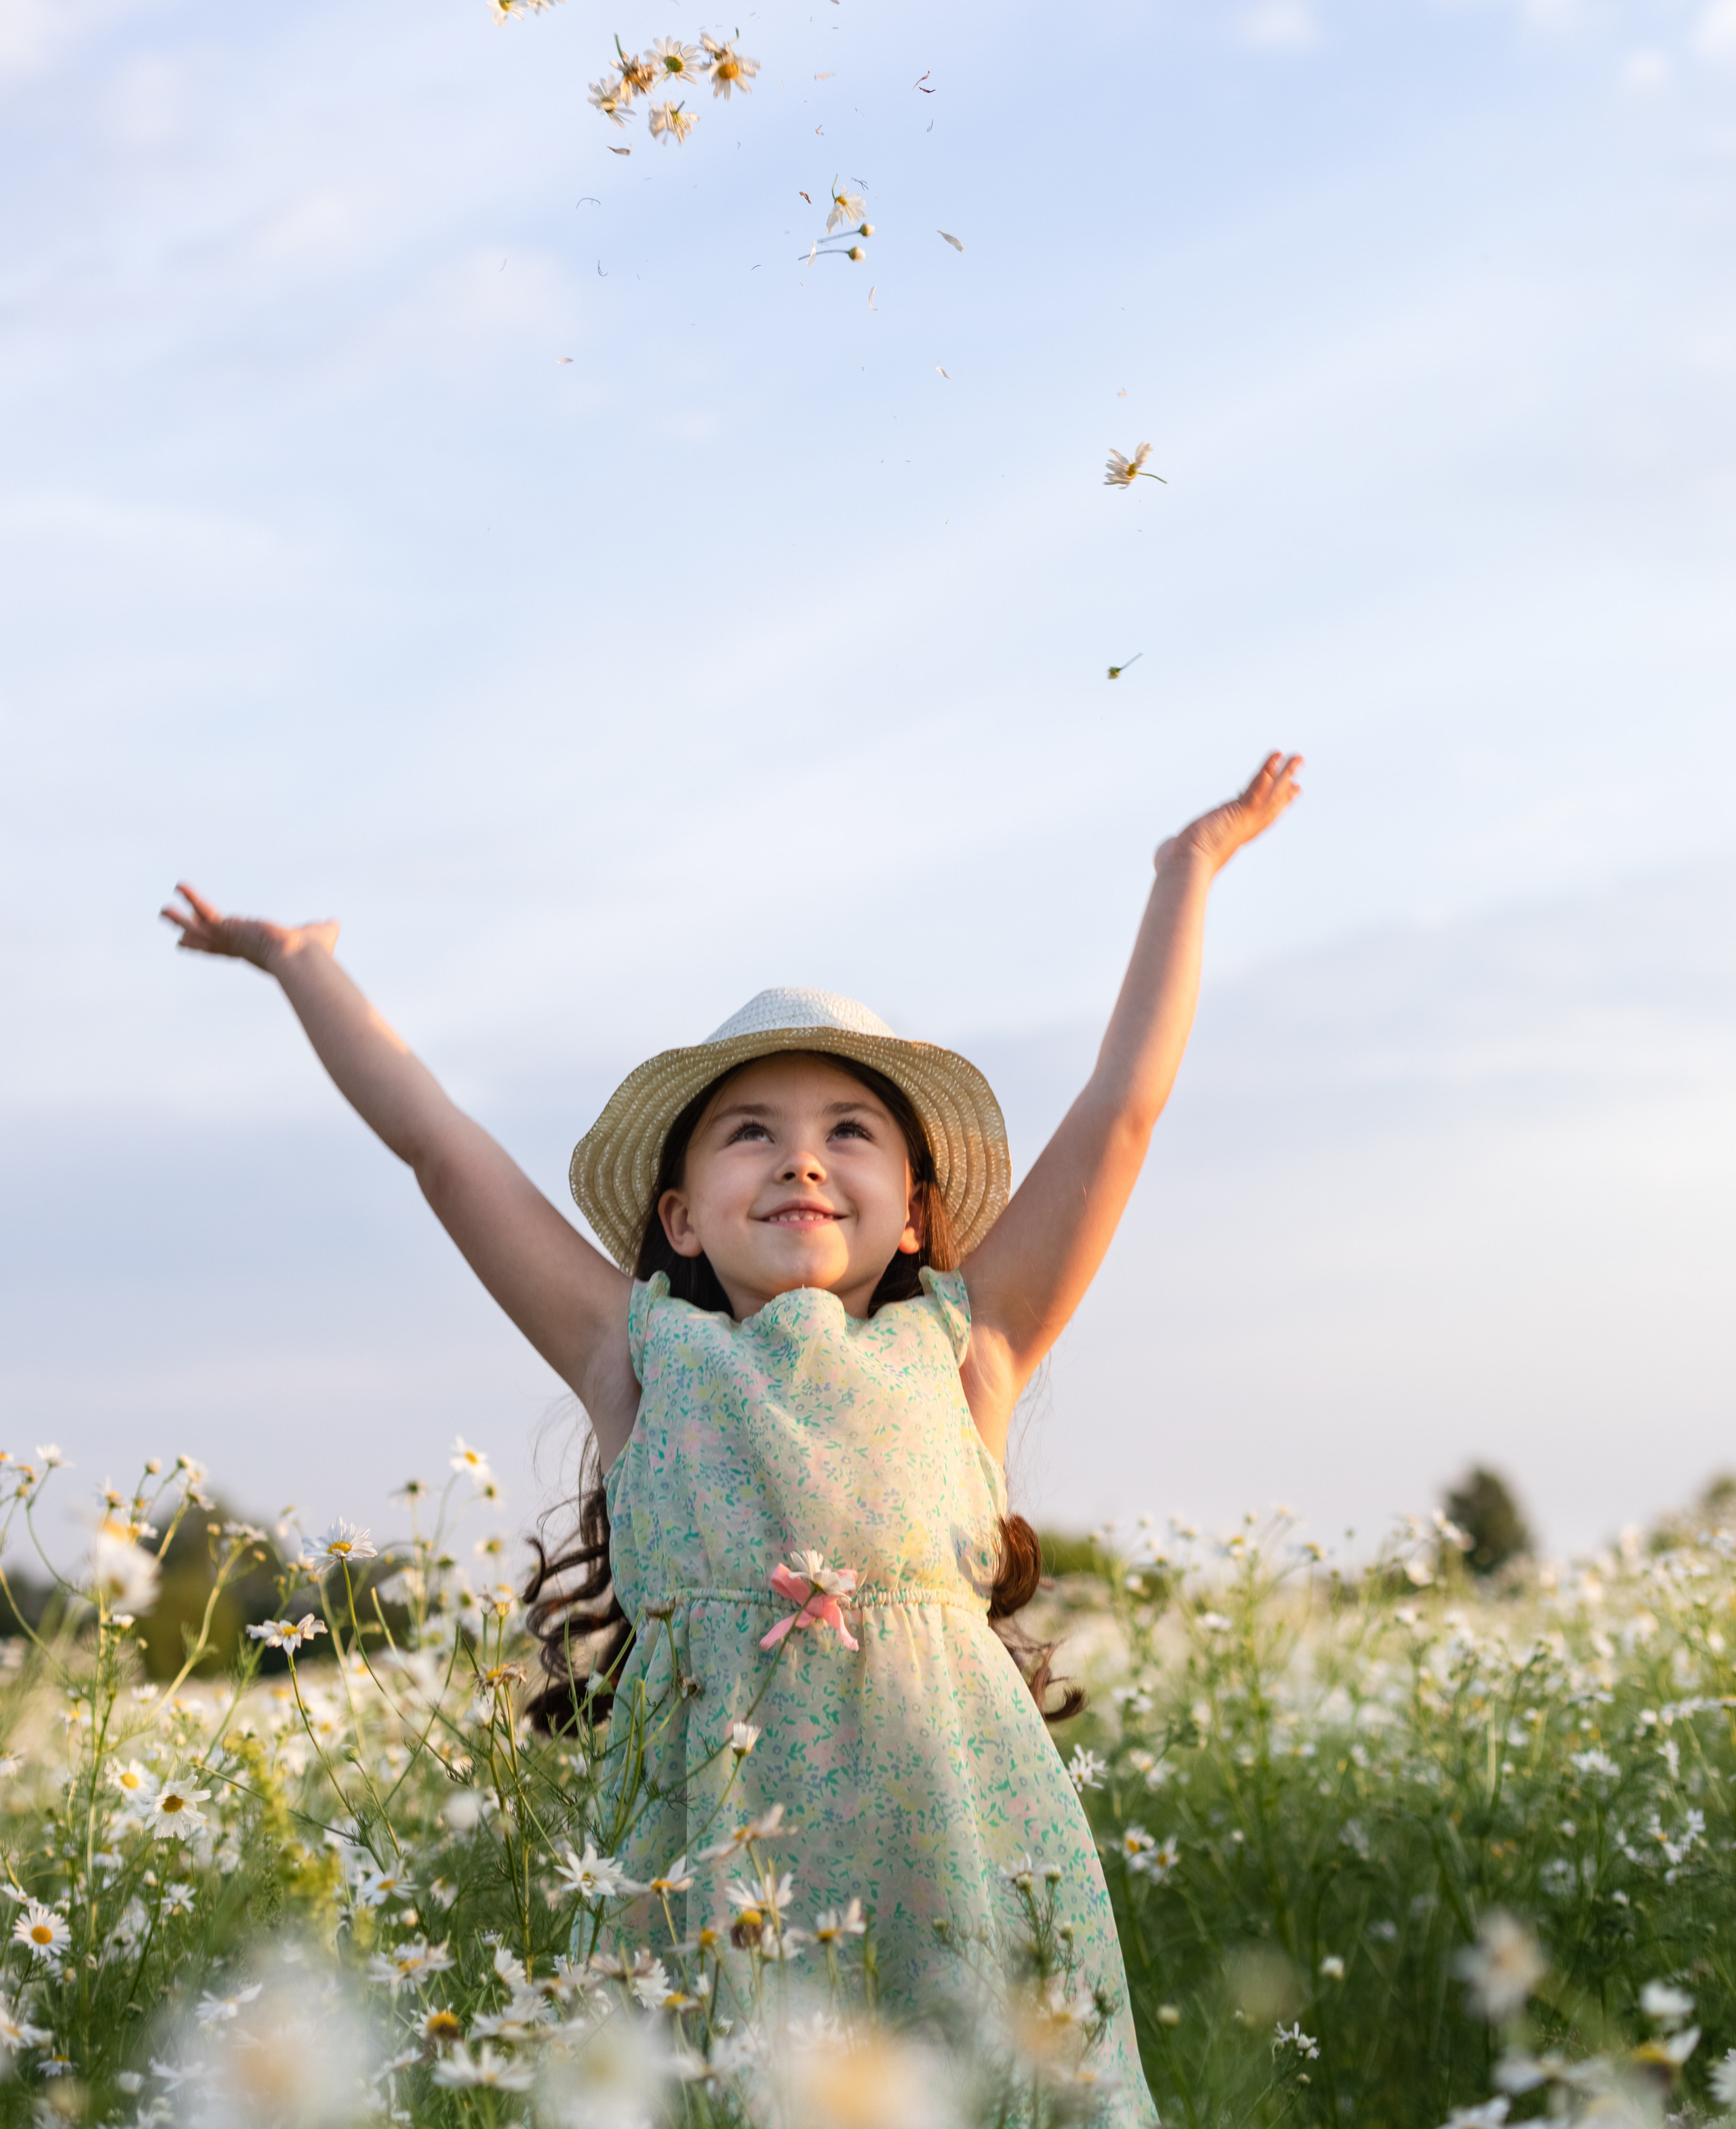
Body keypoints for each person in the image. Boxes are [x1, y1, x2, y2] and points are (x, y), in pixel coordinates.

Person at [161, 751, 1302, 2118]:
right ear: (680, 1218)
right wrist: (303, 966)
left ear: (921, 1213)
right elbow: (446, 1155)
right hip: (709, 1883)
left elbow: (1121, 1113)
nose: (802, 1159)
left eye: (850, 1132)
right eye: (747, 1133)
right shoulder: (637, 1357)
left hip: (960, 1866)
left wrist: (1187, 871)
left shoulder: (967, 1347)